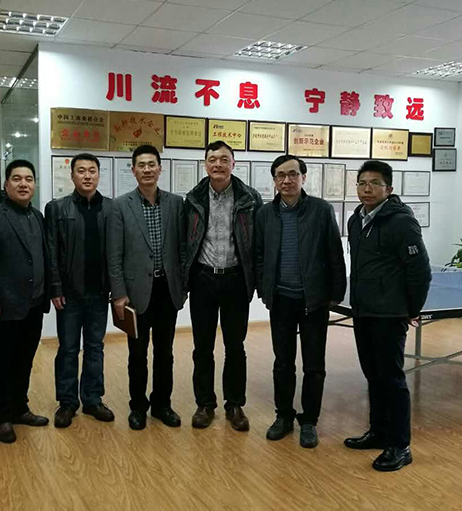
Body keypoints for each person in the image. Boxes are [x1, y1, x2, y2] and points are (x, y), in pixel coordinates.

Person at [345, 160, 431, 472]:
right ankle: (379, 432)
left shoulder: (401, 222)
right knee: (373, 375)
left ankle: (400, 445)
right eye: (362, 183)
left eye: (374, 183)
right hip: (363, 310)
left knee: (392, 378)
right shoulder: (357, 219)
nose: (367, 189)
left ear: (389, 188)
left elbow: (419, 271)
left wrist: (411, 309)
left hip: (389, 314)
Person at [254, 155, 346, 448]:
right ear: (274, 180)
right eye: (280, 175)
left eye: (293, 174)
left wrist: (336, 294)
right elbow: (259, 255)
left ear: (303, 177)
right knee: (282, 363)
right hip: (281, 300)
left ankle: (309, 421)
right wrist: (264, 290)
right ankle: (283, 416)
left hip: (313, 301)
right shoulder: (264, 214)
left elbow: (335, 253)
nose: (287, 180)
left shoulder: (321, 210)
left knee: (314, 365)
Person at [183, 140, 262, 431]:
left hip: (235, 279)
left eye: (224, 159)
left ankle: (235, 404)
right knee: (202, 346)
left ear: (233, 164)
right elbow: (185, 241)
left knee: (235, 346)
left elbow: (258, 243)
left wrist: (257, 281)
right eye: (213, 159)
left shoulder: (250, 198)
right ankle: (205, 404)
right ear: (205, 164)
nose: (218, 164)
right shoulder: (192, 199)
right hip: (203, 278)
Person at [107, 145, 185, 430]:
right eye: (141, 165)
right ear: (133, 170)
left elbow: (183, 248)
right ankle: (138, 406)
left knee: (165, 353)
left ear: (160, 169)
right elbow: (114, 254)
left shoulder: (176, 203)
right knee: (137, 354)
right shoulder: (120, 205)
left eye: (152, 164)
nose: (147, 169)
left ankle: (162, 404)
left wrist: (183, 286)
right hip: (134, 293)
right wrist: (118, 293)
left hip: (167, 290)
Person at [0, 159, 50, 443]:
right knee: (0, 363)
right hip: (4, 307)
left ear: (34, 184)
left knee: (24, 360)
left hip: (34, 305)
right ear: (6, 184)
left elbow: (43, 257)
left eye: (29, 179)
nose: (23, 184)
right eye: (17, 179)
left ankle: (20, 408)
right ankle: (2, 416)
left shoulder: (37, 216)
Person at [45, 153, 114, 428]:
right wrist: (55, 287)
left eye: (92, 171)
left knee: (95, 348)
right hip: (69, 294)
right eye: (81, 171)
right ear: (72, 175)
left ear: (99, 175)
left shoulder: (111, 208)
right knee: (68, 348)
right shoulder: (57, 208)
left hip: (99, 293)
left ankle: (93, 399)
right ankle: (67, 402)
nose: (87, 176)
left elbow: (116, 252)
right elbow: (51, 251)